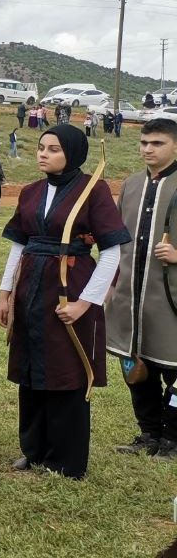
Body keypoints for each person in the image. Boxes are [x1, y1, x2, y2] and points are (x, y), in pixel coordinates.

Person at [0, 124, 130, 479]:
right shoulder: (30, 191)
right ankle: (34, 450)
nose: (43, 153)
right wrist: (5, 293)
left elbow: (112, 253)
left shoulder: (94, 190)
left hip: (70, 289)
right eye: (41, 147)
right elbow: (18, 244)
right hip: (31, 289)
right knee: (30, 371)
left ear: (73, 152)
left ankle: (65, 460)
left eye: (53, 149)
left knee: (66, 371)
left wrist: (85, 303)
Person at [106, 118, 177, 459]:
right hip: (130, 297)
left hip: (170, 298)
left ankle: (173, 438)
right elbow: (117, 241)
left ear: (175, 145)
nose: (149, 149)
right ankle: (149, 433)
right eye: (145, 143)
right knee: (135, 366)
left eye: (158, 143)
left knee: (175, 370)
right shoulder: (132, 184)